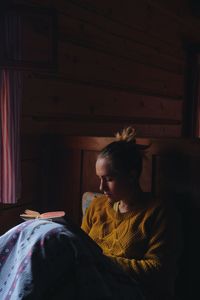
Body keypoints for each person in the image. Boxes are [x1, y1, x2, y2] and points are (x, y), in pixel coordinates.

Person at [81, 126, 182, 300]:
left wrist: (103, 262)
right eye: (99, 178)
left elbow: (158, 269)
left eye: (109, 179)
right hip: (91, 285)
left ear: (131, 175)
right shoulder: (97, 206)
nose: (101, 187)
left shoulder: (158, 212)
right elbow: (81, 247)